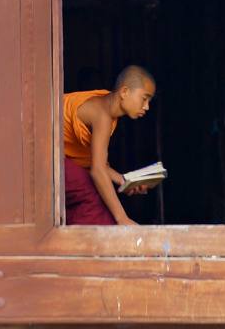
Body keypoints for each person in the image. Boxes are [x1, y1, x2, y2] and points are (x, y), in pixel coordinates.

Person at [63, 66, 156, 227]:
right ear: (124, 92)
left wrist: (123, 181)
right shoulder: (102, 115)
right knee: (89, 191)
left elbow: (98, 162)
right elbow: (97, 170)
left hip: (60, 158)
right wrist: (123, 219)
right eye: (144, 98)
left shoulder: (108, 110)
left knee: (98, 194)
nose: (147, 106)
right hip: (43, 154)